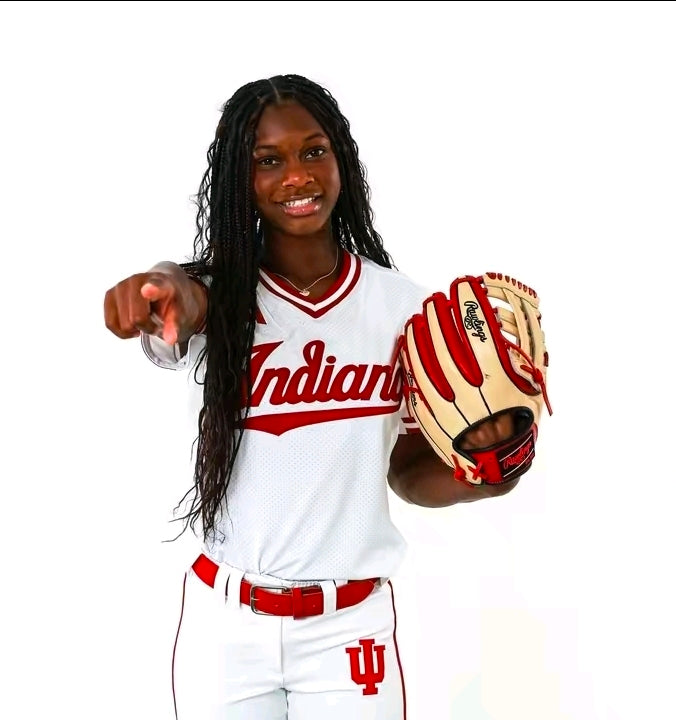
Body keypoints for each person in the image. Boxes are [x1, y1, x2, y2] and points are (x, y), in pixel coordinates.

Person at [103, 74, 522, 720]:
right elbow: (179, 291)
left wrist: (486, 471)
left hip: (347, 627)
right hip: (226, 623)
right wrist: (158, 284)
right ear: (240, 180)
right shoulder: (212, 296)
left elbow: (407, 471)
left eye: (313, 151)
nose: (296, 175)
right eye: (268, 161)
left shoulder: (404, 309)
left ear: (341, 161)